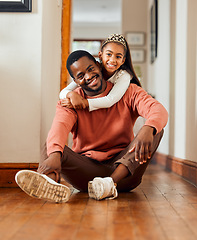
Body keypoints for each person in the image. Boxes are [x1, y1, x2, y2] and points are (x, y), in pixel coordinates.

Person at [15, 49, 168, 203]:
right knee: (50, 147)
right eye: (80, 76)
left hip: (125, 173)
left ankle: (109, 183)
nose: (88, 77)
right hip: (88, 176)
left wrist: (148, 128)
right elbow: (60, 125)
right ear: (75, 81)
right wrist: (55, 154)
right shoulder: (71, 101)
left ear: (98, 65)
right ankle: (51, 183)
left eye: (90, 69)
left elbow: (158, 110)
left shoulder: (129, 91)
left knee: (155, 129)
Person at [59, 34, 141, 111]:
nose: (112, 60)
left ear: (123, 60)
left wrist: (83, 102)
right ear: (100, 55)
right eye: (109, 54)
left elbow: (110, 100)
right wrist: (71, 95)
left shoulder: (124, 76)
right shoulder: (94, 70)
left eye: (118, 57)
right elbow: (63, 92)